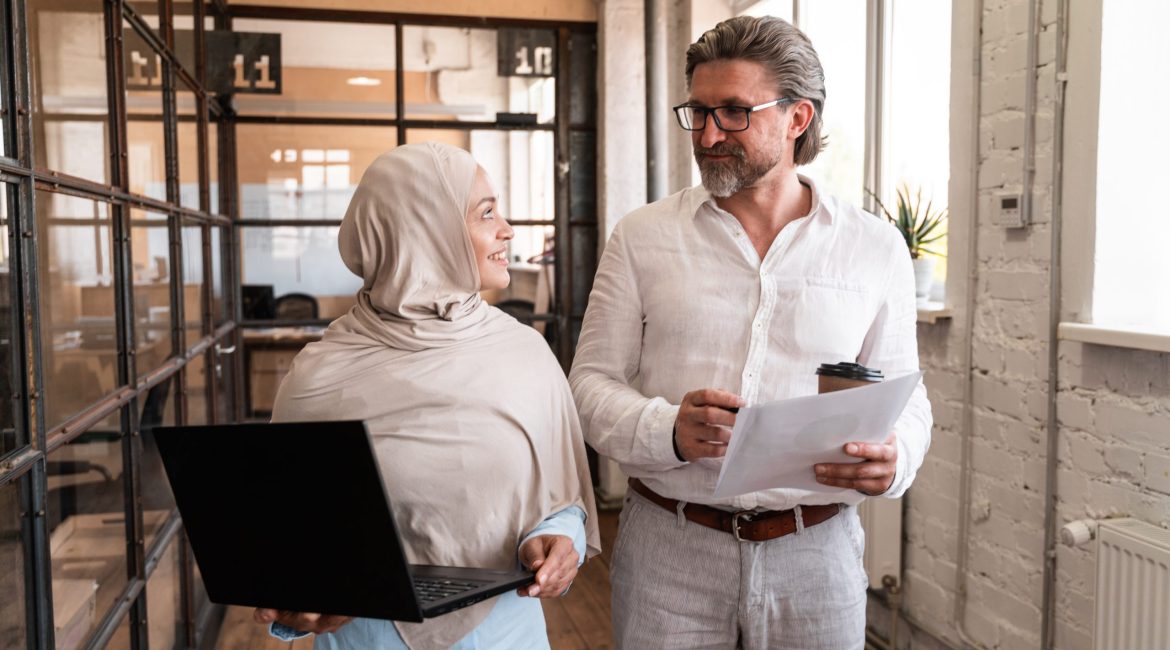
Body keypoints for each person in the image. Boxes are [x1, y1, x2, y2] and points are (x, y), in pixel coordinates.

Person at [569, 15, 932, 650]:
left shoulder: (875, 248)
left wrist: (895, 460)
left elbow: (908, 398)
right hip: (668, 550)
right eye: (698, 112)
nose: (708, 134)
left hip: (817, 556)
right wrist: (668, 430)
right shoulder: (643, 236)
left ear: (798, 118)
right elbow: (589, 385)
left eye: (734, 112)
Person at [253, 142, 601, 649]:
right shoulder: (318, 375)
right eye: (486, 214)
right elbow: (292, 538)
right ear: (425, 231)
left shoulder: (523, 354)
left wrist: (558, 543)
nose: (507, 230)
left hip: (502, 633)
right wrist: (298, 605)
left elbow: (560, 500)